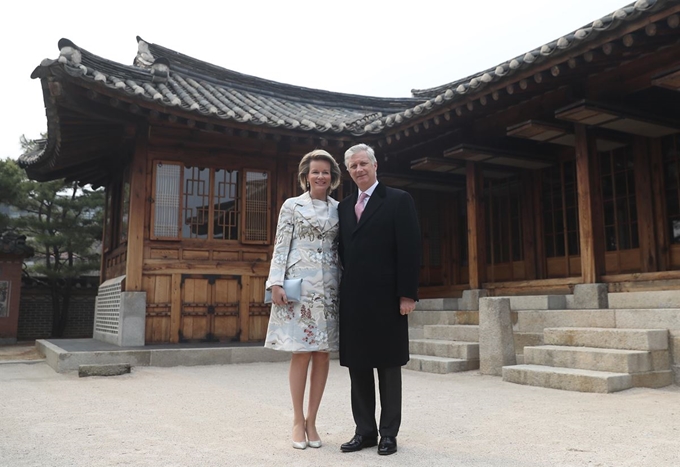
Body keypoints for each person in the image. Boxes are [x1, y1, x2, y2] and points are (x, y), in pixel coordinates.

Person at [337, 143, 421, 456]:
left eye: (363, 164)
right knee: (357, 366)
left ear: (375, 166)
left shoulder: (399, 200)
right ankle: (365, 431)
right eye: (353, 167)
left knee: (388, 365)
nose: (359, 170)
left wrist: (407, 294)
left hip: (388, 297)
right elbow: (344, 252)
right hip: (354, 298)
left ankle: (388, 433)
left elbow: (410, 250)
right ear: (349, 173)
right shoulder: (344, 207)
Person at [264, 149, 342, 450]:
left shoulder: (339, 209)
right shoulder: (292, 206)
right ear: (305, 177)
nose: (320, 176)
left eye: (325, 172)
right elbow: (281, 245)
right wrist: (275, 283)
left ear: (332, 177)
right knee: (301, 351)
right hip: (300, 287)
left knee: (323, 353)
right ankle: (297, 420)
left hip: (331, 287)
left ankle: (312, 420)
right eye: (315, 172)